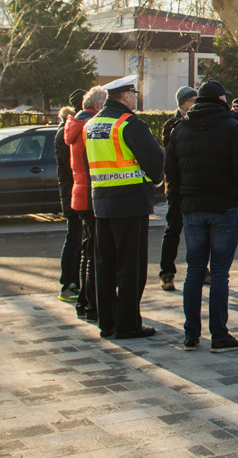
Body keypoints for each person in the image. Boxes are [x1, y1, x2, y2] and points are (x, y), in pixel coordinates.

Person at [165, 80, 238, 352]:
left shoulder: (181, 129)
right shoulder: (231, 127)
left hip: (192, 208)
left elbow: (171, 169)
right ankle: (219, 335)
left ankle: (191, 333)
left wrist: (183, 197)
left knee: (194, 270)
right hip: (223, 207)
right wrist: (237, 194)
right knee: (218, 273)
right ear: (219, 99)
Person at [85, 74, 165, 341]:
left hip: (101, 202)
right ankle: (128, 324)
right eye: (134, 95)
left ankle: (106, 323)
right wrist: (157, 179)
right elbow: (154, 158)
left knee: (104, 264)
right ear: (127, 96)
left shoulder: (92, 124)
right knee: (130, 267)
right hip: (130, 202)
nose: (135, 99)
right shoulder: (128, 123)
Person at [158, 86, 200, 292]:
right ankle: (167, 272)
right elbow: (172, 154)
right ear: (182, 103)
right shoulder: (172, 125)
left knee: (198, 230)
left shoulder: (199, 122)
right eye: (193, 100)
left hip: (195, 185)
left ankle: (202, 269)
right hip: (176, 186)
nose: (196, 103)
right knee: (173, 229)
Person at [66, 88, 101, 321]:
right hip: (91, 194)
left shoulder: (75, 124)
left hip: (80, 193)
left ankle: (84, 302)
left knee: (88, 249)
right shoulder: (90, 126)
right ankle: (89, 304)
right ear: (98, 106)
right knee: (93, 252)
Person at [54, 89, 88, 304]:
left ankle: (72, 283)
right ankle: (69, 284)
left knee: (76, 238)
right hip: (73, 192)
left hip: (73, 190)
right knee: (75, 239)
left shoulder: (66, 128)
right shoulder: (68, 131)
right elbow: (73, 166)